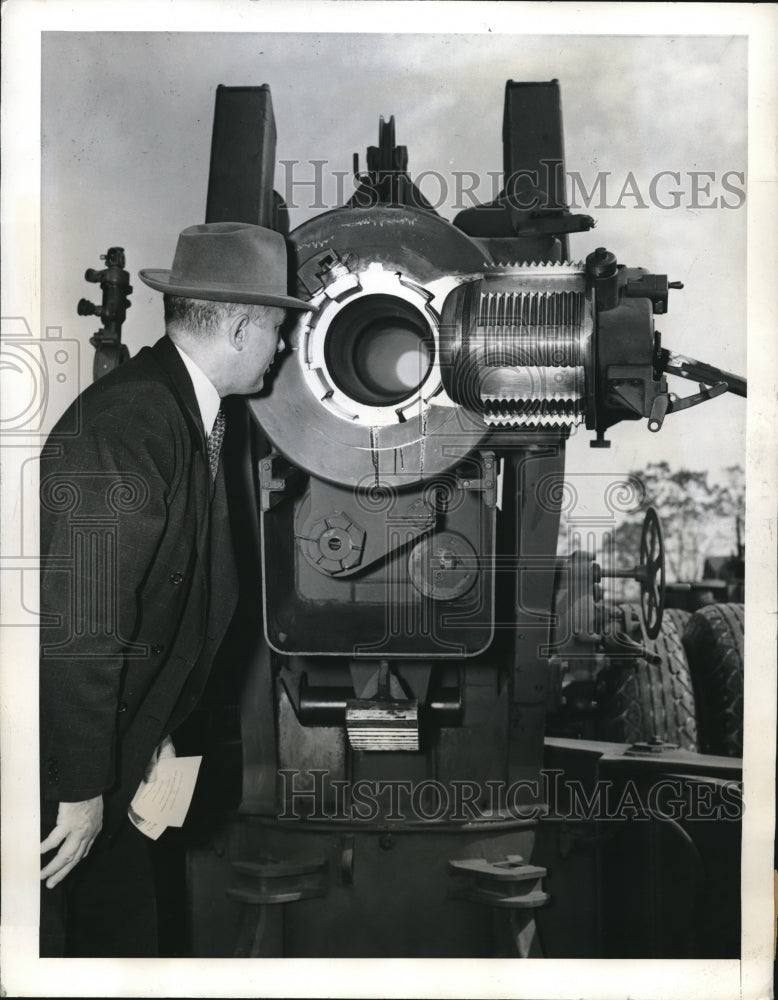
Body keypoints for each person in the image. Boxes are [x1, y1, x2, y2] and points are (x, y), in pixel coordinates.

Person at [38, 221, 312, 956]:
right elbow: (83, 624)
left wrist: (156, 734)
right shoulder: (131, 423)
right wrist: (82, 788)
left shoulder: (183, 416)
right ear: (243, 325)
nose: (283, 347)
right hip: (71, 773)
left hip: (124, 749)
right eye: (280, 331)